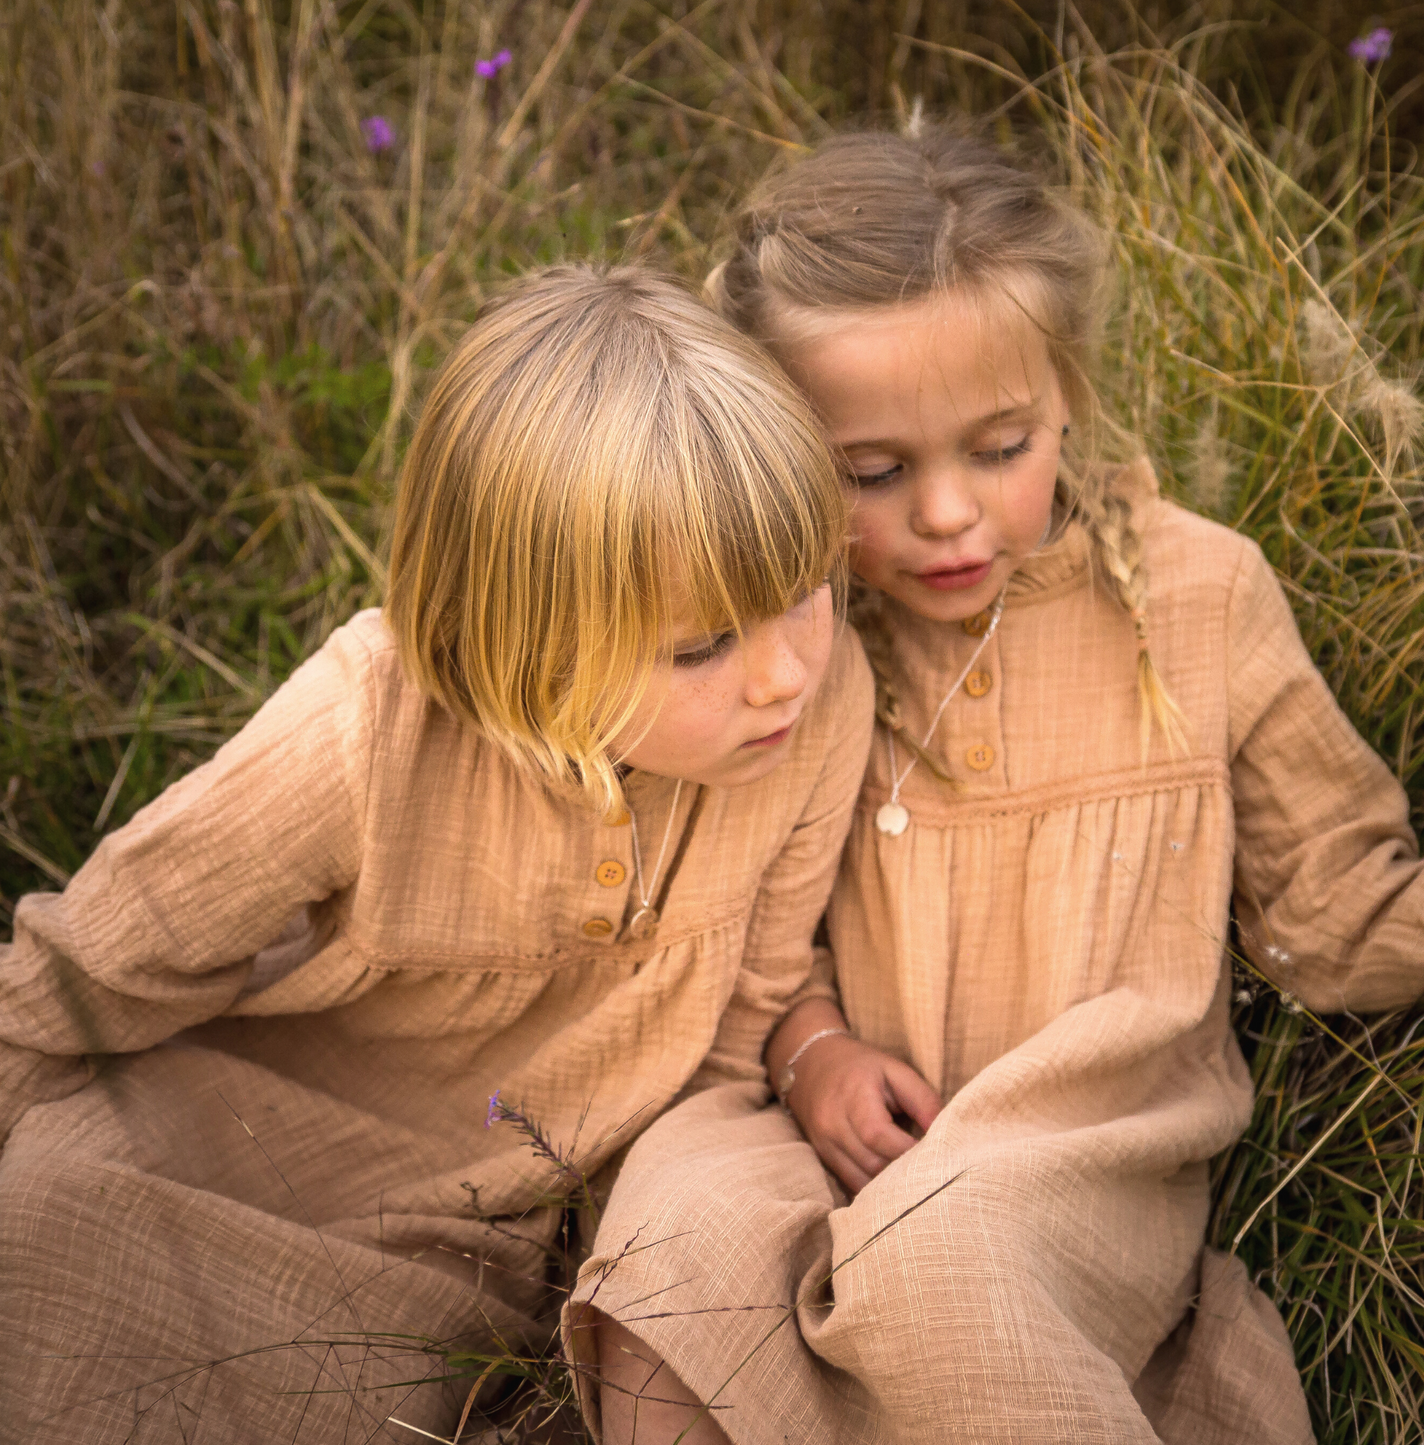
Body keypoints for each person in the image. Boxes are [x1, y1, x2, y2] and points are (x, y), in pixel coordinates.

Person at [575, 129, 1424, 1444]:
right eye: (871, 472)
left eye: (998, 447)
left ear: (1065, 393)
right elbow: (729, 925)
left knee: (937, 1254)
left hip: (1083, 1153)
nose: (948, 515)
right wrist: (811, 1056)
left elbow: (1332, 904)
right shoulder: (781, 638)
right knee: (670, 1255)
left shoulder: (1195, 598)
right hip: (810, 1117)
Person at [0, 265, 876, 1443]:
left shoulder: (813, 713)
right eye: (703, 643)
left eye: (805, 591)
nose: (782, 673)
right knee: (91, 1276)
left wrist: (623, 1246)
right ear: (527, 630)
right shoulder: (364, 730)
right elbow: (96, 960)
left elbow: (738, 1016)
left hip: (510, 1219)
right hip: (245, 1145)